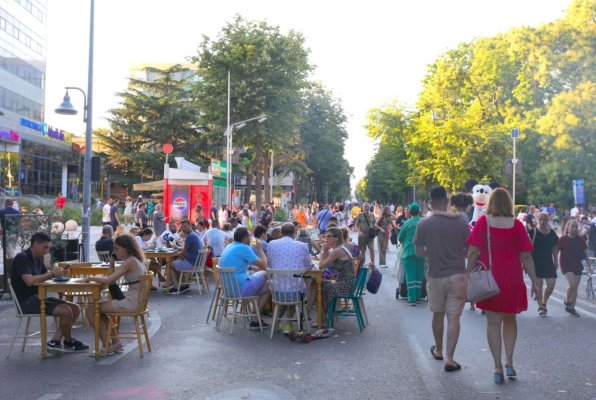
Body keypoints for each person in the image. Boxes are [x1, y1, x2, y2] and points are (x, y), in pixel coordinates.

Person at [467, 188, 538, 383]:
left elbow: (473, 251)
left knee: (493, 323)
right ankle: (509, 362)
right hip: (512, 278)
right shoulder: (517, 226)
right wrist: (534, 281)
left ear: (491, 203)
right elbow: (526, 256)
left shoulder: (483, 223)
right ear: (509, 203)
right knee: (510, 320)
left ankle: (497, 367)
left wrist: (467, 275)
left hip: (491, 278)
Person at [414, 186, 470, 372]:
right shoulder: (462, 222)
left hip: (436, 274)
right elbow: (469, 249)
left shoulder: (424, 224)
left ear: (430, 203)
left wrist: (432, 252)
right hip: (458, 275)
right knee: (454, 317)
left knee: (438, 314)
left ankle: (438, 349)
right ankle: (450, 358)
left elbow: (419, 251)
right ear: (447, 201)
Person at [10, 232, 89, 352]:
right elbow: (29, 281)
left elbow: (47, 275)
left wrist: (58, 273)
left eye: (48, 247)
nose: (47, 250)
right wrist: (52, 274)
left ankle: (55, 341)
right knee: (66, 311)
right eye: (45, 247)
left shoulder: (38, 258)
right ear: (36, 244)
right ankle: (69, 341)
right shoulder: (22, 258)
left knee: (75, 308)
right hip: (25, 302)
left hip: (38, 297)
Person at [82, 234, 146, 354]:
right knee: (99, 310)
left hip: (131, 302)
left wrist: (89, 278)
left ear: (126, 248)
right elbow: (111, 278)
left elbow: (109, 280)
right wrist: (111, 263)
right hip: (136, 301)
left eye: (117, 248)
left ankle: (106, 345)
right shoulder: (134, 259)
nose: (114, 251)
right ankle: (115, 343)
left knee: (91, 310)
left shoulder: (130, 262)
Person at [219, 227, 270, 330]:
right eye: (249, 237)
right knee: (266, 276)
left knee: (268, 285)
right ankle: (255, 318)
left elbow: (236, 264)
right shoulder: (244, 247)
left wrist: (251, 267)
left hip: (228, 290)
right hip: (240, 289)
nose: (250, 239)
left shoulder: (230, 246)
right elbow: (264, 265)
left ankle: (256, 318)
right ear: (245, 237)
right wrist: (260, 248)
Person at [267, 223, 313, 330]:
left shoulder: (272, 244)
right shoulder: (301, 246)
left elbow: (270, 263)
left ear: (281, 233)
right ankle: (288, 323)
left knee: (285, 290)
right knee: (297, 288)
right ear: (294, 233)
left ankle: (276, 323)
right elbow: (308, 265)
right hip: (295, 291)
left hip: (276, 291)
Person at [319, 226, 356, 321]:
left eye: (328, 236)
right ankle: (326, 317)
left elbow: (321, 265)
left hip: (346, 285)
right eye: (325, 236)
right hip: (347, 282)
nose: (326, 239)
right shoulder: (340, 248)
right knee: (322, 284)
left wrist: (323, 250)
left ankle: (325, 319)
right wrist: (326, 250)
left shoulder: (338, 250)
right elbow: (327, 263)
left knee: (322, 287)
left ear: (336, 238)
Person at [557, 220, 592, 317]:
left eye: (576, 226)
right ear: (568, 227)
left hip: (577, 264)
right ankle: (567, 300)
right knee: (572, 284)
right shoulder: (563, 239)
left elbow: (585, 254)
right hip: (566, 264)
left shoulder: (580, 239)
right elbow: (556, 251)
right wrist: (554, 261)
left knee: (575, 287)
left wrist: (589, 266)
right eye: (572, 226)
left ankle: (572, 308)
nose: (575, 228)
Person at [528, 212, 559, 316]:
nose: (542, 221)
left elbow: (555, 247)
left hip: (548, 261)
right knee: (539, 285)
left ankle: (544, 302)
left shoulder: (552, 233)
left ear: (547, 220)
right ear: (537, 220)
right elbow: (527, 248)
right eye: (540, 219)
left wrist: (556, 260)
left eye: (544, 219)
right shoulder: (533, 232)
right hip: (535, 261)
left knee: (551, 284)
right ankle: (541, 307)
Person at [398, 203, 425, 305]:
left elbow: (400, 238)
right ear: (419, 212)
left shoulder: (407, 223)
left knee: (410, 275)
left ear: (409, 212)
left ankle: (411, 298)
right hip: (422, 251)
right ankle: (418, 296)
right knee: (419, 274)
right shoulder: (423, 222)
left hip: (409, 250)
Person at [168, 219, 204, 293]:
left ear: (190, 225)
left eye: (185, 226)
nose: (184, 229)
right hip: (197, 263)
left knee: (170, 264)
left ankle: (176, 287)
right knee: (176, 262)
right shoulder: (194, 234)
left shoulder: (190, 236)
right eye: (182, 227)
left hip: (192, 264)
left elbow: (183, 254)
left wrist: (179, 255)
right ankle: (184, 284)